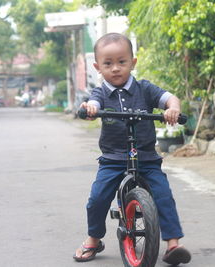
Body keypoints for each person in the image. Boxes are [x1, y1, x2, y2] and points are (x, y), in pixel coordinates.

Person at [73, 32, 191, 265]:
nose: (115, 68)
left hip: (146, 157)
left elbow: (170, 98)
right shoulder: (101, 93)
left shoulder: (144, 89)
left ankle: (173, 245)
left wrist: (173, 109)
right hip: (113, 158)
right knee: (97, 199)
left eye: (121, 62)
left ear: (133, 63)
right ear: (98, 67)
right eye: (108, 64)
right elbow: (93, 104)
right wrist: (89, 109)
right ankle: (93, 239)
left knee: (164, 196)